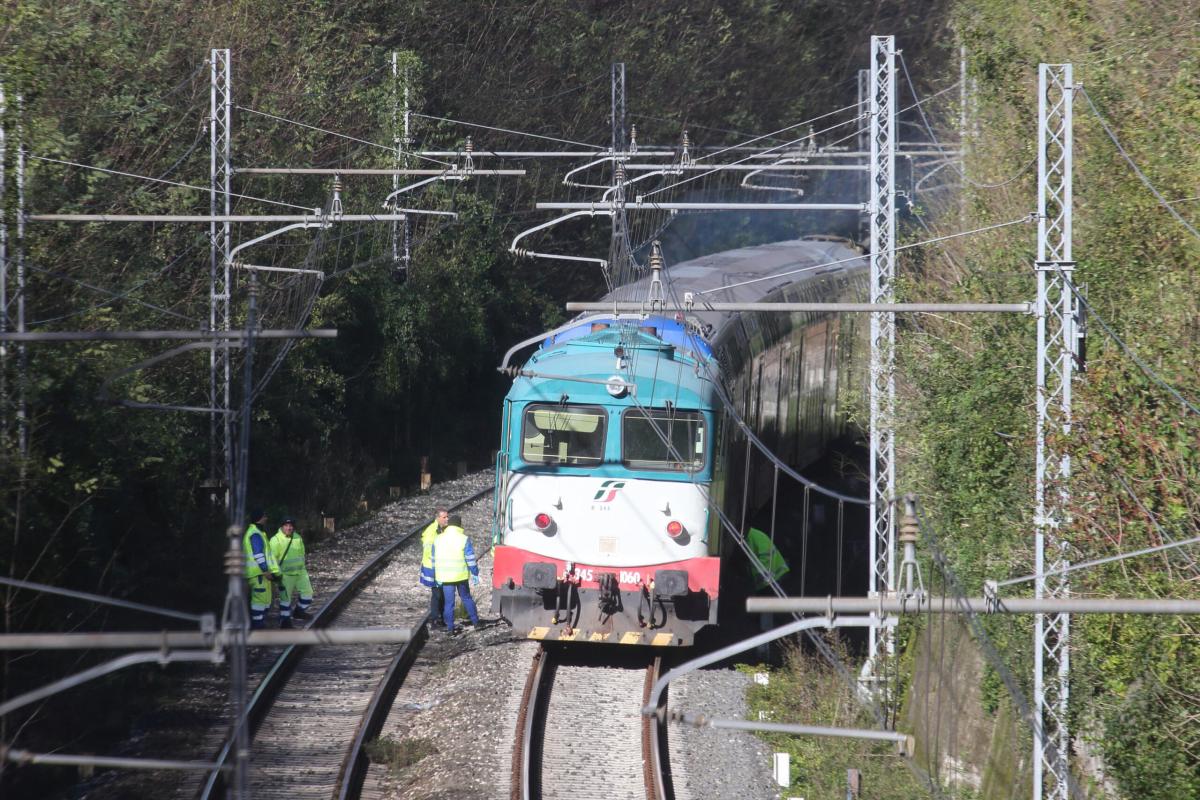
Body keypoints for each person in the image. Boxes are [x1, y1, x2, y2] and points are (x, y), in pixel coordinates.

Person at [432, 513, 481, 635]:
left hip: (445, 577)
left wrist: (435, 574)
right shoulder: (463, 538)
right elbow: (469, 558)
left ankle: (450, 628)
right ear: (460, 525)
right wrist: (475, 572)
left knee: (449, 603)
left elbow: (433, 558)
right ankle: (476, 622)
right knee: (466, 598)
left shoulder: (438, 539)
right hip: (461, 576)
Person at [270, 517, 313, 629]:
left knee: (308, 594)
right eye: (286, 526)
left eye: (290, 526)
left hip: (300, 573)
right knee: (285, 600)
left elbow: (302, 554)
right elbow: (272, 559)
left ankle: (298, 612)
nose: (289, 528)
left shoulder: (297, 537)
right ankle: (285, 622)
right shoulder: (275, 540)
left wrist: (303, 568)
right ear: (282, 526)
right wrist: (277, 574)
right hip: (285, 575)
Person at [244, 508, 281, 629]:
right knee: (259, 601)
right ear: (260, 517)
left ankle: (259, 625)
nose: (266, 518)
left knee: (264, 601)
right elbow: (258, 554)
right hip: (259, 574)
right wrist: (265, 570)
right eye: (265, 516)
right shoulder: (255, 534)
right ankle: (257, 627)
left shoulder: (258, 532)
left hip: (260, 574)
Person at [419, 508, 450, 628]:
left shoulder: (439, 530)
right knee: (437, 594)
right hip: (434, 568)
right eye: (444, 517)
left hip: (437, 567)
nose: (447, 519)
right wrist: (437, 568)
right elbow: (430, 553)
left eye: (447, 517)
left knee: (439, 593)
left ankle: (437, 618)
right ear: (438, 518)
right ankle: (435, 620)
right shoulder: (432, 532)